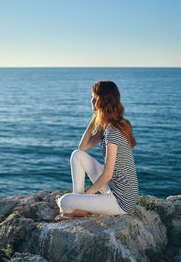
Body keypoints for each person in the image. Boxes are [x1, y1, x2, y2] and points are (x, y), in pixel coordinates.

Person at [55, 80, 139, 221]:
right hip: (114, 186)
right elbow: (83, 147)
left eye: (94, 97)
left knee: (65, 201)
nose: (91, 100)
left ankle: (78, 206)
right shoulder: (107, 126)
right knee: (77, 155)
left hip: (121, 201)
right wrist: (94, 121)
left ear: (101, 101)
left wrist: (86, 198)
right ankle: (79, 207)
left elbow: (107, 175)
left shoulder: (112, 132)